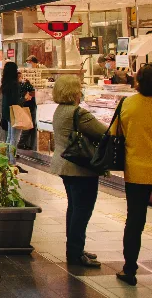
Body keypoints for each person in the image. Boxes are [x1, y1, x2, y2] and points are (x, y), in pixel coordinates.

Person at [49, 75, 108, 268]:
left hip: (64, 165)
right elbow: (103, 132)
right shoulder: (78, 113)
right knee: (82, 211)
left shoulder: (59, 111)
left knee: (74, 208)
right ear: (74, 91)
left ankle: (74, 249)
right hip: (80, 168)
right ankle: (76, 253)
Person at [112, 62, 152, 286]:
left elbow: (114, 133)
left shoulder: (128, 104)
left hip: (136, 172)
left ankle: (129, 269)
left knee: (134, 222)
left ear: (138, 81)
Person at [0, 62, 27, 172]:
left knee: (9, 138)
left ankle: (6, 160)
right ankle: (12, 163)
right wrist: (25, 98)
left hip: (7, 113)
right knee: (14, 139)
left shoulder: (5, 83)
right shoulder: (15, 84)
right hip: (15, 113)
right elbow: (16, 101)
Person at [18, 72, 38, 150]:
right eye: (21, 77)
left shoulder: (21, 85)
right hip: (28, 107)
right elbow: (32, 93)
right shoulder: (21, 85)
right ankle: (21, 143)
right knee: (28, 125)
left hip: (28, 106)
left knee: (30, 125)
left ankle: (28, 144)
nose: (22, 79)